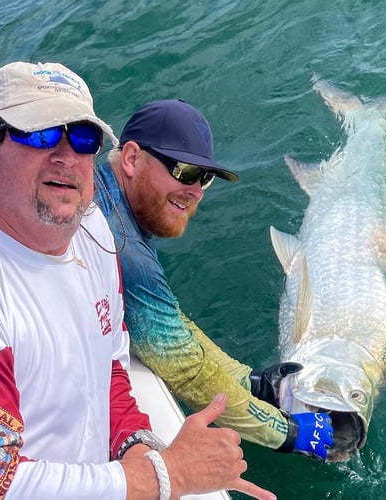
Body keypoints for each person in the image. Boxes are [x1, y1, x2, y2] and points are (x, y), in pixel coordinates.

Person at [0, 61, 277, 500]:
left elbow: (112, 366)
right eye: (37, 134)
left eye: (83, 138)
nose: (65, 156)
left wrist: (134, 443)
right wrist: (161, 476)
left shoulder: (95, 231)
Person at [94, 99, 334, 460]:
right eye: (185, 171)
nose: (196, 191)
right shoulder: (121, 245)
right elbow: (184, 366)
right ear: (130, 158)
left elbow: (168, 320)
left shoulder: (109, 198)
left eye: (204, 178)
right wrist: (288, 432)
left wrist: (248, 381)